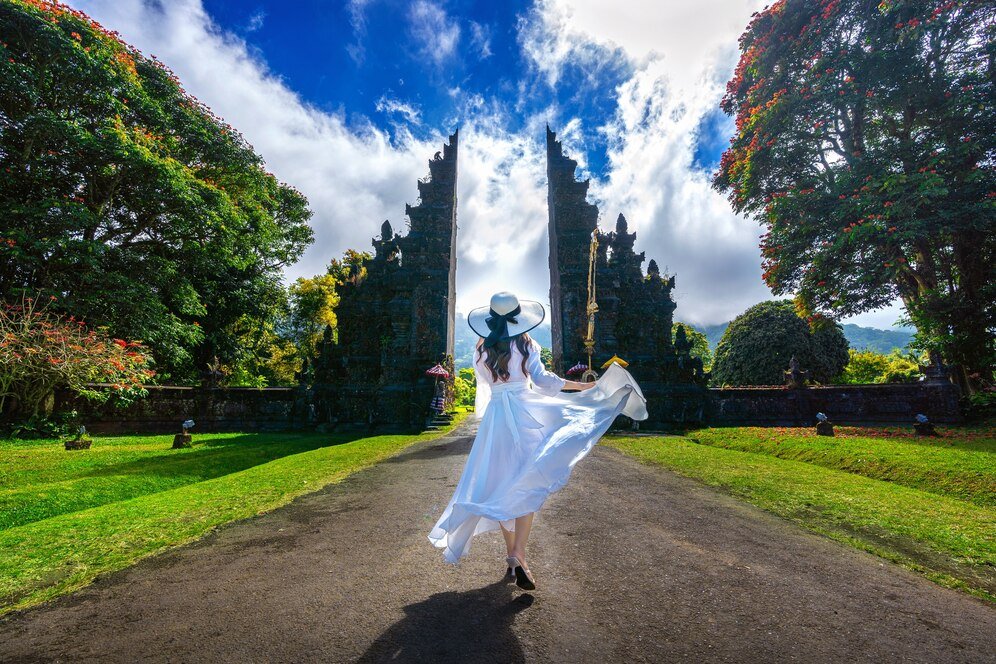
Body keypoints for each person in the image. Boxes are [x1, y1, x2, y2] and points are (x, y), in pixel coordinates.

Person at [427, 291, 648, 590]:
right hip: (525, 414)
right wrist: (584, 388)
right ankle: (519, 553)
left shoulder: (482, 349)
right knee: (526, 482)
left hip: (497, 420)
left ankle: (510, 555)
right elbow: (543, 382)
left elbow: (487, 384)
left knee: (501, 483)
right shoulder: (525, 342)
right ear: (518, 317)